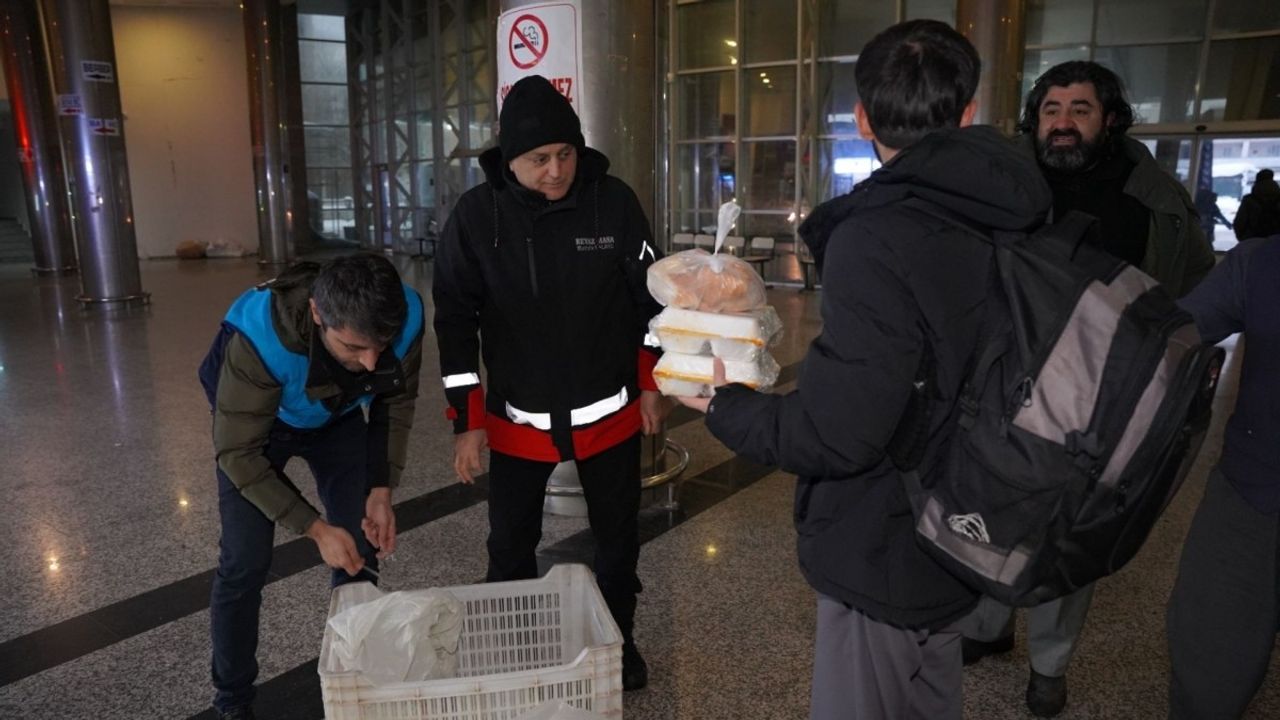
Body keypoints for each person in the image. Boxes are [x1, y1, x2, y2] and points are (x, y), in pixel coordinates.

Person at [676, 20, 1053, 718]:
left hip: (889, 533)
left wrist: (728, 406)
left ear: (861, 119)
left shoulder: (878, 234)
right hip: (971, 510)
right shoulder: (1016, 209)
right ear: (968, 110)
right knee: (931, 689)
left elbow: (839, 432)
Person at [959, 59, 1216, 718]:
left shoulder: (1153, 199)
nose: (1064, 123)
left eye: (1080, 109)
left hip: (1101, 392)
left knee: (1069, 521)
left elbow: (1192, 284)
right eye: (1052, 109)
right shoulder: (1002, 180)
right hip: (1004, 374)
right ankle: (987, 625)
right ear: (1035, 120)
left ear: (1109, 119)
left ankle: (1050, 663)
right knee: (989, 497)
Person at [432, 74, 665, 692]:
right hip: (519, 420)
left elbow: (653, 300)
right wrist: (467, 420)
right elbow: (454, 321)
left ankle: (620, 642)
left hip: (609, 413)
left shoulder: (613, 202)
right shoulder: (476, 217)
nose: (556, 170)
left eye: (565, 154)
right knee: (510, 544)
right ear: (510, 159)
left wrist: (651, 383)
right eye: (539, 159)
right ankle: (510, 650)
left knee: (618, 543)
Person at [199, 253, 425, 720]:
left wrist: (380, 490)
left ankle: (354, 678)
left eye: (380, 346)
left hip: (338, 416)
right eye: (353, 346)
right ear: (318, 314)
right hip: (258, 428)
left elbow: (395, 404)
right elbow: (238, 453)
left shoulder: (402, 314)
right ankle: (233, 698)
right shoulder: (262, 339)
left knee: (360, 545)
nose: (371, 362)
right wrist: (316, 530)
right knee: (244, 562)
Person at [1167, 235, 1280, 718]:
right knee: (1208, 668)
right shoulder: (1260, 262)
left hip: (1252, 491)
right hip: (1251, 494)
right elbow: (1171, 334)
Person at [1233, 168, 1280, 241]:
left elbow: (1239, 223)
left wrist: (1244, 240)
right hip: (1277, 241)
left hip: (1253, 239)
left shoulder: (1249, 200)